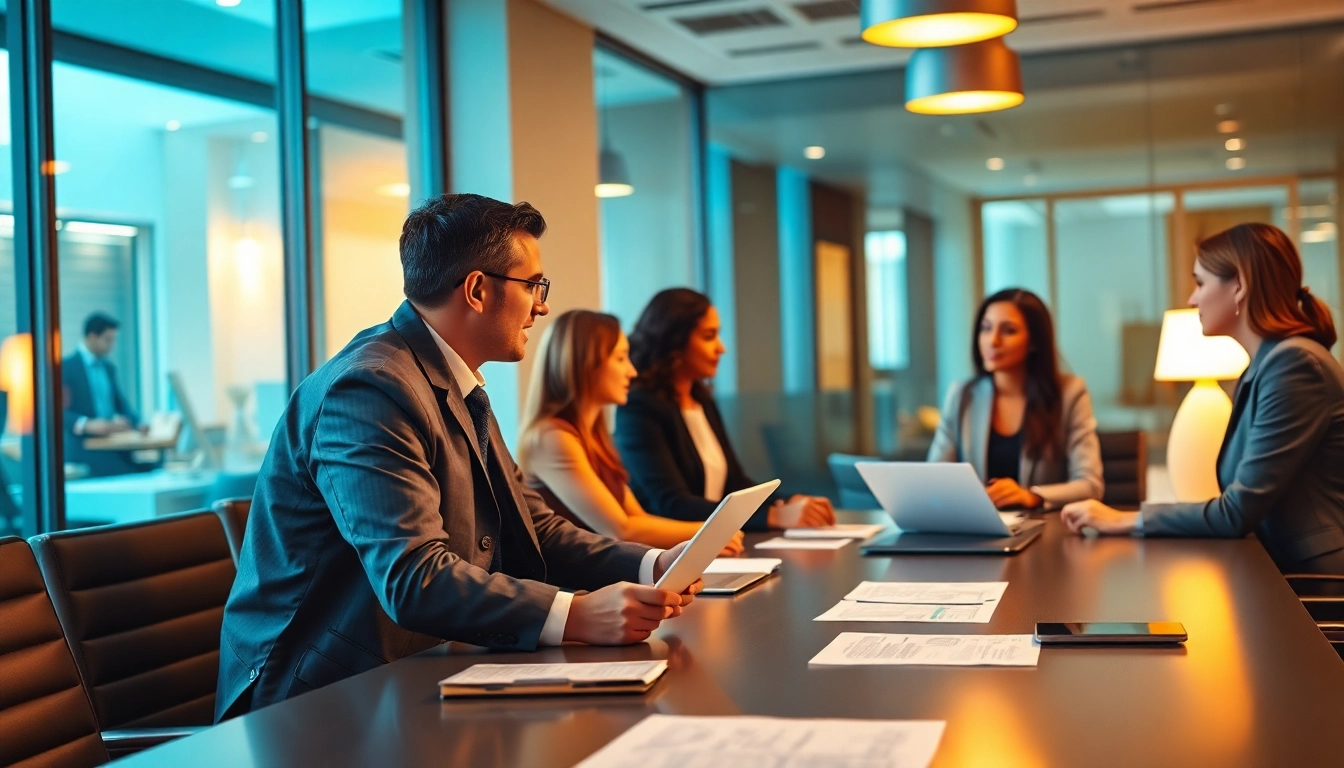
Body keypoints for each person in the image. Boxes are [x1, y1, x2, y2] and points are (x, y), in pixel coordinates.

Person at [216, 194, 702, 721]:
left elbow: (530, 523)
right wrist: (577, 615)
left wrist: (651, 563)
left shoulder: (453, 379)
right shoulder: (369, 389)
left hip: (418, 669)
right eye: (534, 285)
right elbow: (413, 577)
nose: (542, 305)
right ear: (476, 289)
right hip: (314, 700)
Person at [1063, 223, 1344, 574]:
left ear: (1239, 285)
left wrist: (1125, 520)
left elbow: (1236, 512)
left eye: (1200, 283)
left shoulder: (1293, 364)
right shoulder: (1267, 364)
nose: (1192, 299)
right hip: (1277, 570)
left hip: (1313, 584)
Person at [520, 310, 744, 555]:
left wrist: (706, 535)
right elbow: (621, 529)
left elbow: (637, 517)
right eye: (620, 358)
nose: (632, 371)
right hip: (569, 588)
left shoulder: (592, 436)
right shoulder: (552, 438)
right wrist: (710, 532)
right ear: (585, 364)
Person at [615, 288, 835, 531]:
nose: (721, 348)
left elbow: (734, 484)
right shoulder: (639, 408)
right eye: (709, 336)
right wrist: (771, 517)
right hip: (673, 553)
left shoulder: (701, 399)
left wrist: (785, 501)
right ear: (674, 342)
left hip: (721, 545)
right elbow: (671, 504)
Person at [928, 288, 1103, 510]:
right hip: (976, 532)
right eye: (986, 328)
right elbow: (934, 479)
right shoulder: (962, 395)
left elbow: (1090, 485)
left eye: (1008, 331)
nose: (993, 341)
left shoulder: (1070, 393)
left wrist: (1032, 496)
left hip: (1043, 533)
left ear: (1034, 342)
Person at [62, 312, 149, 477]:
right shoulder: (67, 368)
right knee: (127, 472)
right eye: (108, 340)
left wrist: (136, 422)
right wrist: (87, 424)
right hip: (85, 449)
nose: (112, 345)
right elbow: (57, 412)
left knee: (149, 467)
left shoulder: (108, 368)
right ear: (92, 337)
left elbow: (121, 405)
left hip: (112, 444)